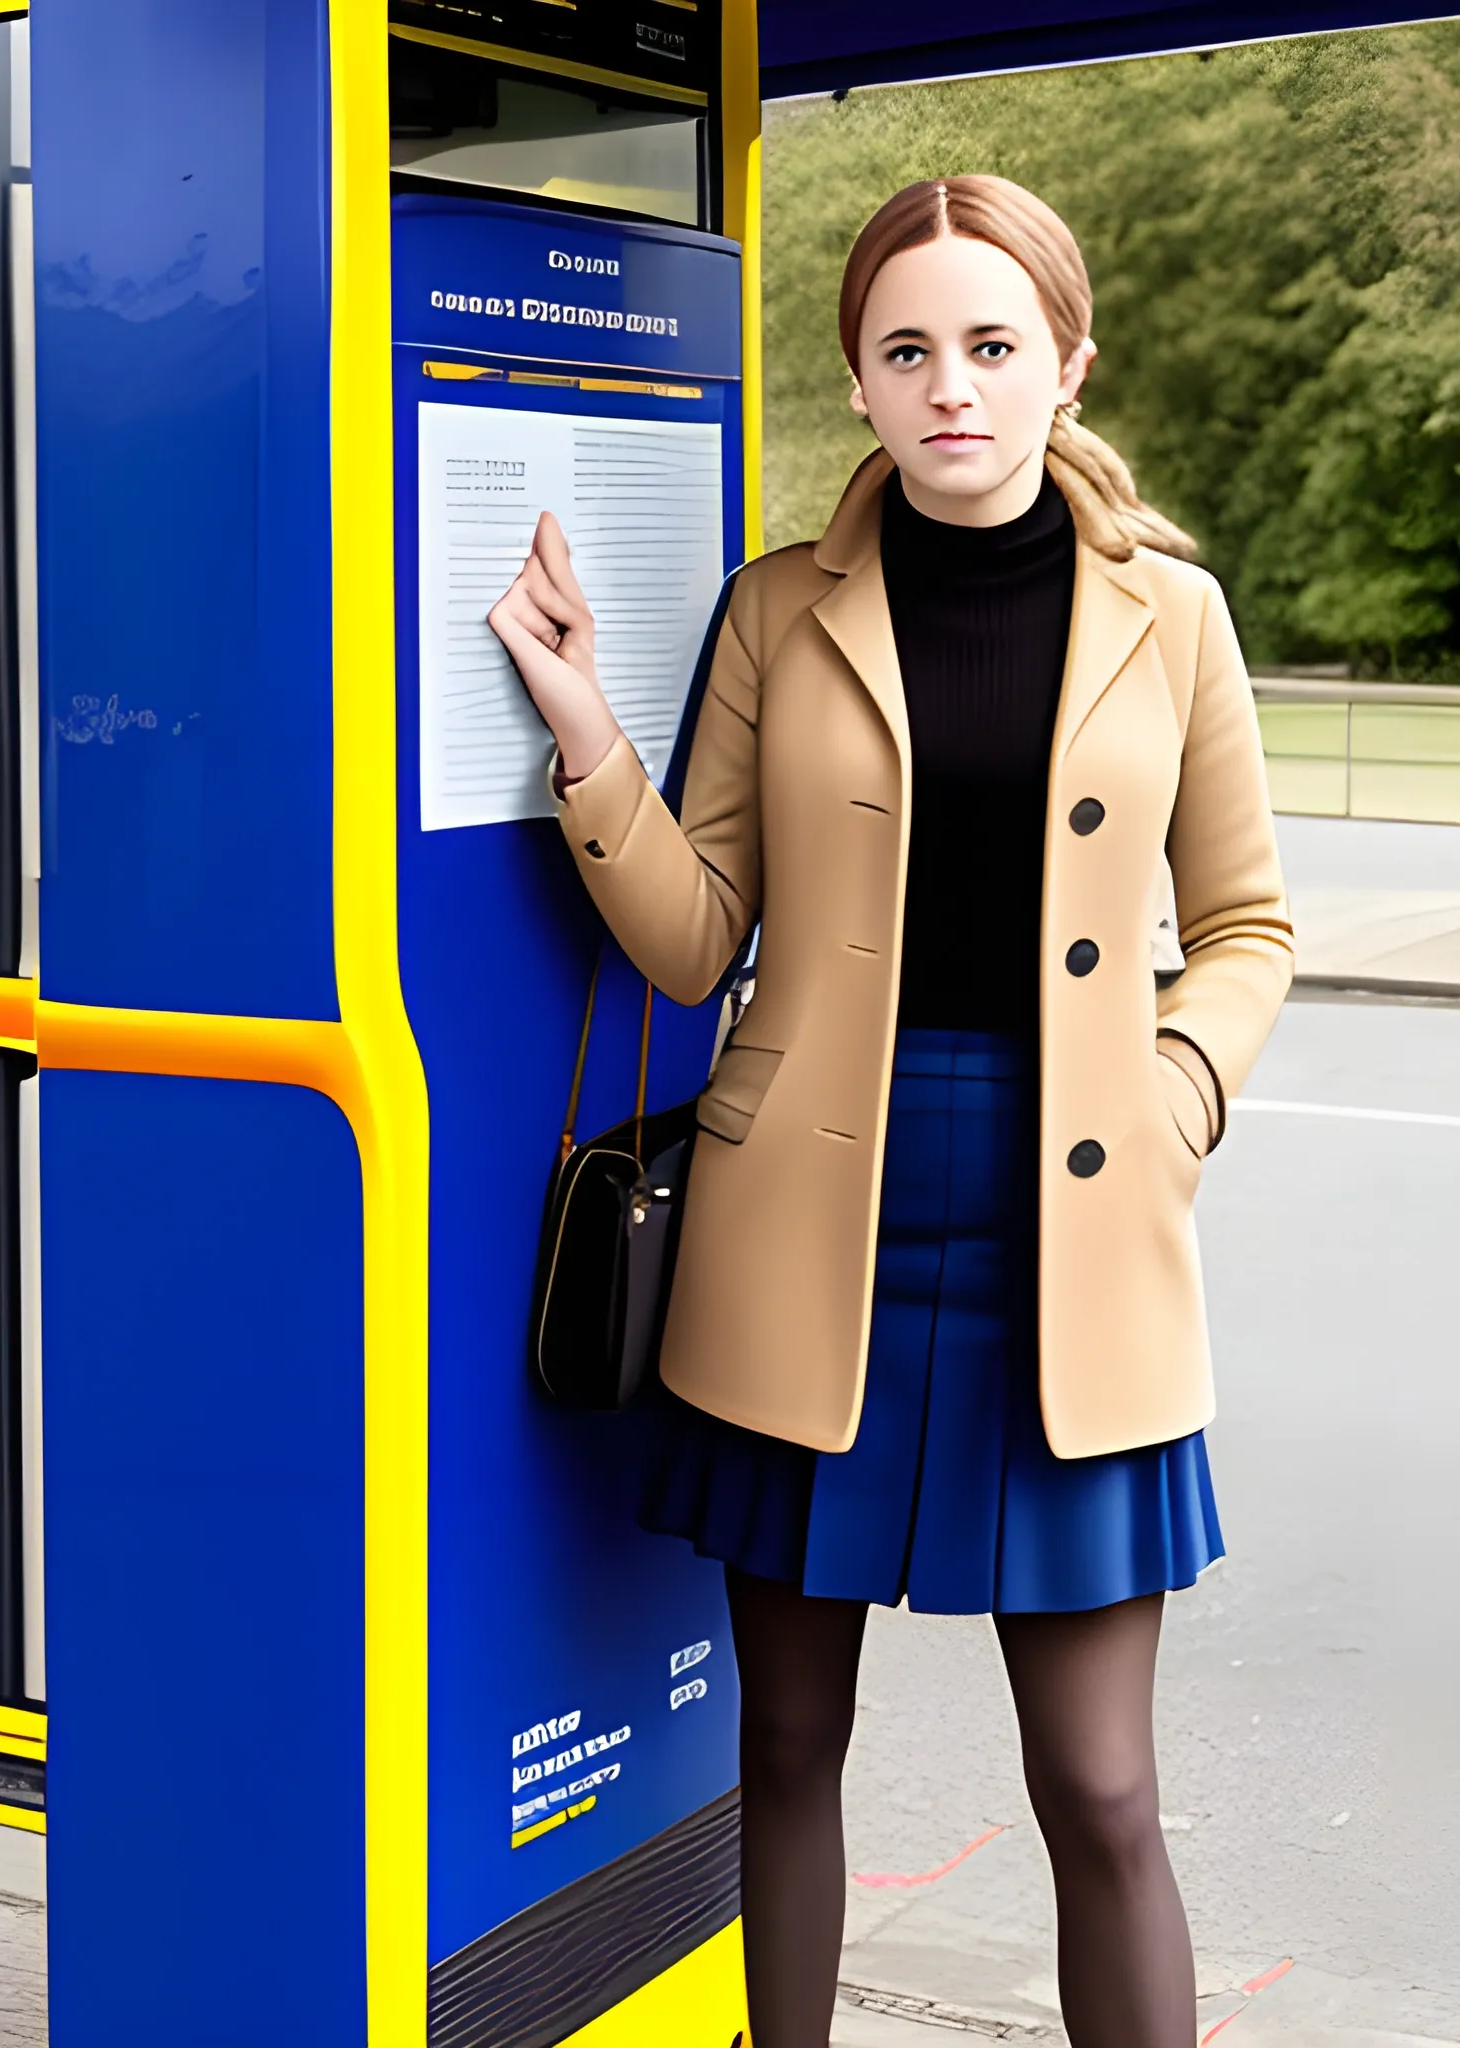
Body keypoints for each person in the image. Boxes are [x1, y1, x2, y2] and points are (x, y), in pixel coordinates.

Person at [488, 173, 1294, 2048]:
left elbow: (1247, 926)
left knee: (1101, 1791)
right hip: (808, 1230)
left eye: (994, 346)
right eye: (908, 347)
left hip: (1077, 1237)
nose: (953, 385)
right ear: (858, 377)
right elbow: (695, 942)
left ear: (1070, 367)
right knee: (786, 1743)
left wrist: (1178, 1094)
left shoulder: (1173, 618)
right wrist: (586, 729)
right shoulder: (778, 612)